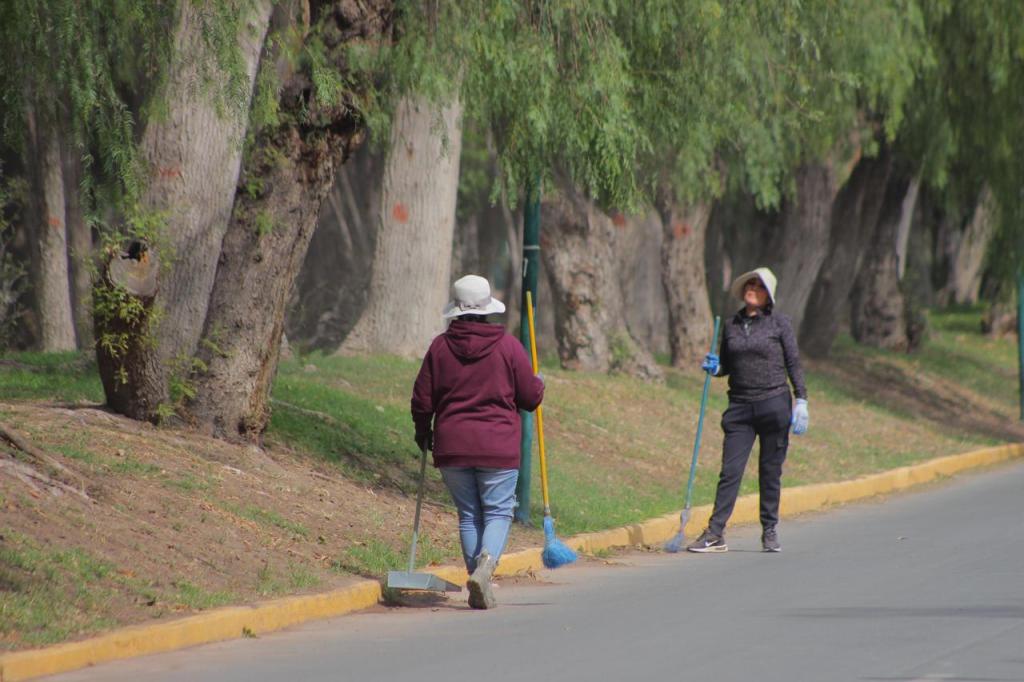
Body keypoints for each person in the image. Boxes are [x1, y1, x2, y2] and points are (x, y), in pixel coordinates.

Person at [411, 274, 544, 608]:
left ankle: (478, 578)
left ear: (456, 310)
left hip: (453, 446)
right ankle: (485, 567)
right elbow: (530, 398)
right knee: (498, 511)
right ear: (488, 310)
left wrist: (422, 431)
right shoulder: (508, 347)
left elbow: (423, 399)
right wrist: (539, 383)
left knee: (469, 514)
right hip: (498, 446)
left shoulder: (440, 347)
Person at [688, 266, 808, 553]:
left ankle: (769, 530)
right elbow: (727, 366)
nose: (753, 289)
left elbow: (793, 362)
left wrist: (801, 399)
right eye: (750, 285)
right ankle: (715, 533)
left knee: (770, 471)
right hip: (740, 408)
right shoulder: (731, 324)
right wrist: (715, 368)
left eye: (759, 286)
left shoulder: (779, 323)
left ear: (769, 295)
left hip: (774, 404)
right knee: (730, 471)